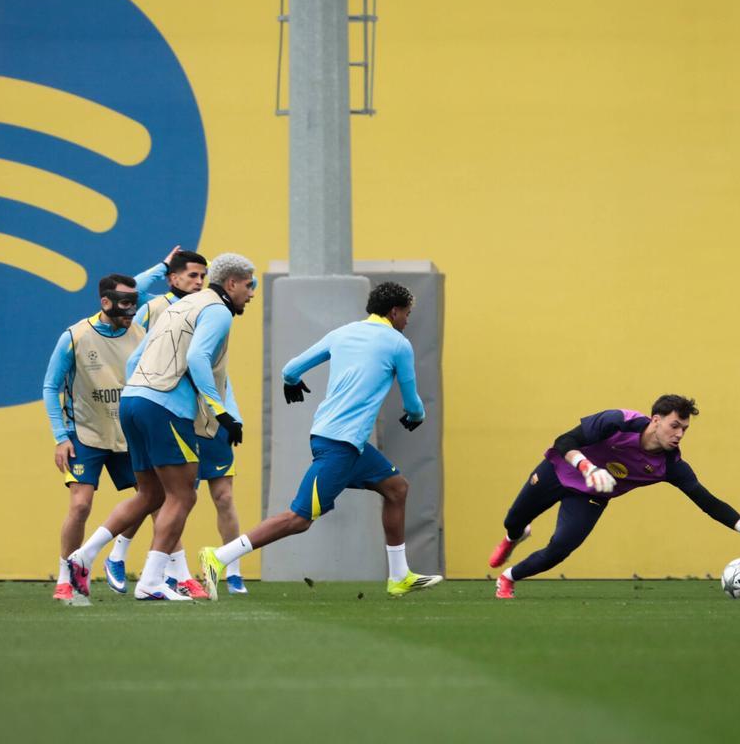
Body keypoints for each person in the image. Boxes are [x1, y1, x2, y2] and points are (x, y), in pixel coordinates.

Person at [198, 281, 441, 600]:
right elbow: (411, 402)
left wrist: (291, 382)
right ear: (394, 312)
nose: (407, 320)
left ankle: (399, 577)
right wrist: (417, 415)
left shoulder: (343, 332)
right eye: (407, 314)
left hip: (339, 439)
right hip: (340, 444)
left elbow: (291, 369)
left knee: (397, 488)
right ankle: (219, 557)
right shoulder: (398, 343)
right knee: (299, 519)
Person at [67, 253, 256, 601]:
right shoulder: (217, 310)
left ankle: (84, 555)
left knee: (150, 494)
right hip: (165, 406)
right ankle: (152, 581)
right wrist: (222, 412)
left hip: (134, 401)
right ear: (231, 284)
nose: (252, 293)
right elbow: (198, 358)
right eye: (249, 285)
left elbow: (137, 357)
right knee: (183, 494)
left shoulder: (177, 307)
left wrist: (137, 394)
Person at [487, 395, 740, 599]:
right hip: (559, 469)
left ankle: (508, 578)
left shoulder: (671, 465)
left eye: (685, 429)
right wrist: (587, 467)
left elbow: (706, 500)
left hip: (591, 495)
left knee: (561, 548)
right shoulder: (618, 421)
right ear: (655, 420)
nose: (679, 434)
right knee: (513, 520)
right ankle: (515, 536)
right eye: (674, 426)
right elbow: (565, 441)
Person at [43, 252, 176, 601]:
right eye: (124, 305)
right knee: (80, 505)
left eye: (135, 304)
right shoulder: (74, 337)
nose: (131, 311)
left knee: (154, 500)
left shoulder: (140, 332)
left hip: (127, 434)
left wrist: (162, 268)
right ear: (105, 302)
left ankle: (136, 562)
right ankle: (66, 576)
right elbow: (50, 387)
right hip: (85, 433)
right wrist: (60, 437)